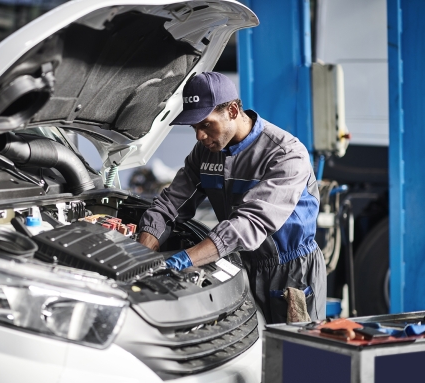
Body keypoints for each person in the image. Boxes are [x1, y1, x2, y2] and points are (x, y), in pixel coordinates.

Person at [137, 72, 326, 323]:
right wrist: (141, 255)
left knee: (296, 356)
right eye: (195, 127)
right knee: (247, 350)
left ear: (234, 110)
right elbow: (171, 203)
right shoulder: (204, 153)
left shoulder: (285, 154)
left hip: (291, 273)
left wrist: (185, 259)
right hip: (241, 263)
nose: (199, 136)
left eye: (206, 125)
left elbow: (248, 224)